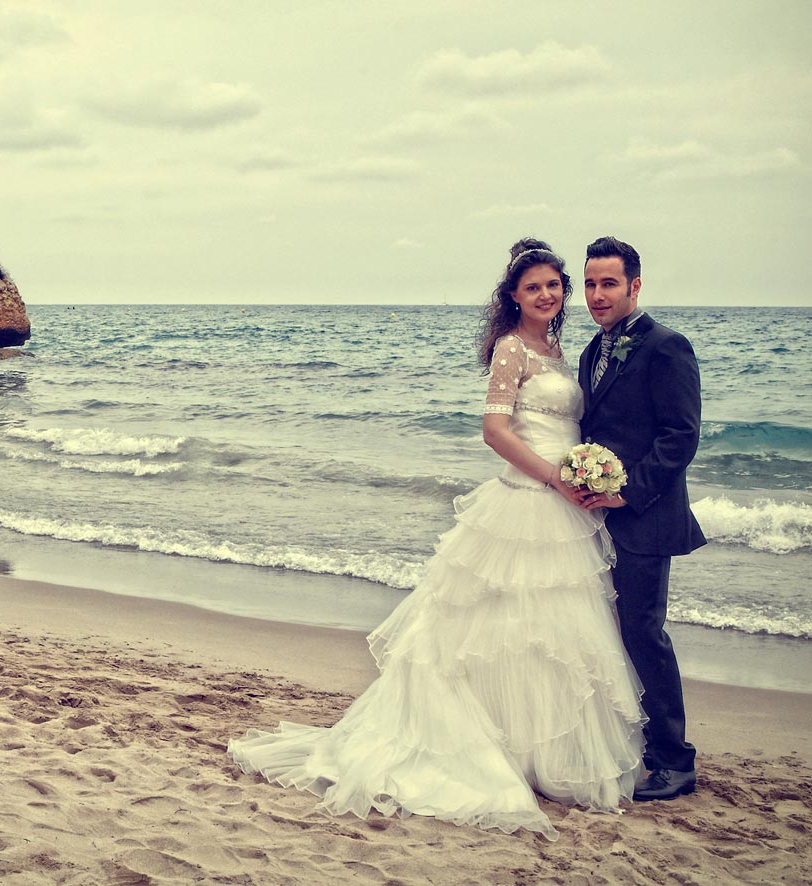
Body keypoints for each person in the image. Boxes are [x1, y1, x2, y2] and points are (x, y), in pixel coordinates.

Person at [228, 239, 645, 840]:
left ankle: (540, 753)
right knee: (501, 629)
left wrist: (585, 473)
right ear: (513, 296)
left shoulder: (558, 350)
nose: (546, 295)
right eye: (533, 287)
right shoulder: (510, 349)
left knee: (549, 633)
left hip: (566, 508)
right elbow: (495, 431)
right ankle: (491, 751)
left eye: (554, 285)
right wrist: (556, 476)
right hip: (528, 499)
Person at [576, 235, 705, 803]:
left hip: (645, 518)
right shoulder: (591, 351)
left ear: (635, 285)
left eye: (608, 283)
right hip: (597, 519)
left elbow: (680, 437)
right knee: (610, 631)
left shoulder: (666, 346)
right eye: (590, 284)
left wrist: (625, 494)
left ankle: (675, 760)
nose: (597, 295)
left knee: (644, 633)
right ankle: (636, 742)